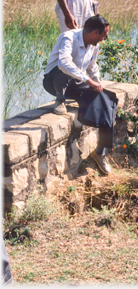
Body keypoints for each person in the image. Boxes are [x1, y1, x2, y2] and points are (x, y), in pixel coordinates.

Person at [43, 14, 117, 175]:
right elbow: (63, 63)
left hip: (76, 82)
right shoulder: (69, 37)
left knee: (107, 100)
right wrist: (89, 81)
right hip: (54, 81)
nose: (104, 39)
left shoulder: (93, 45)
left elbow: (92, 67)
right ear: (95, 33)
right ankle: (59, 100)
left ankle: (100, 152)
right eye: (104, 35)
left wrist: (98, 84)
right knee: (65, 68)